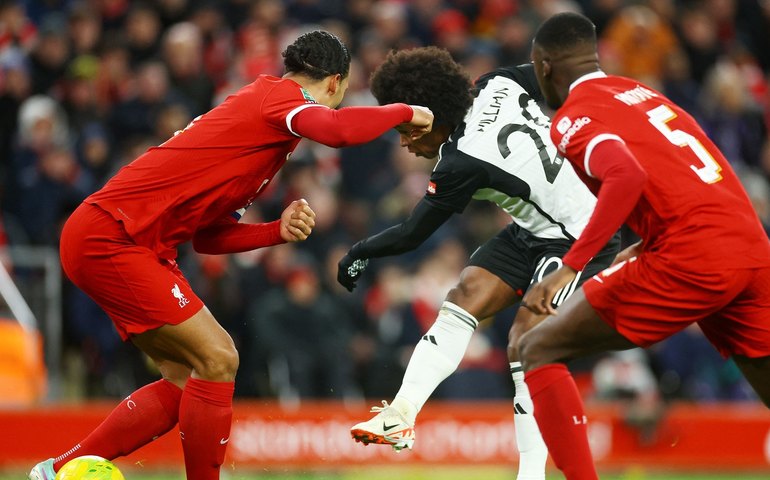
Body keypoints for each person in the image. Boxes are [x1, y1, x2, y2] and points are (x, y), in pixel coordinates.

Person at [29, 30, 433, 480]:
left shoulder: (266, 130)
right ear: (335, 83)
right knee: (221, 357)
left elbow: (210, 237)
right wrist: (408, 111)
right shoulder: (280, 96)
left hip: (124, 239)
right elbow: (337, 132)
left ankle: (54, 472)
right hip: (115, 234)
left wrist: (275, 231)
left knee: (187, 380)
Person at [336, 46, 618, 480]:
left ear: (435, 114)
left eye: (409, 128)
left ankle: (531, 474)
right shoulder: (496, 82)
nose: (406, 141)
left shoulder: (460, 162)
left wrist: (359, 252)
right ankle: (401, 413)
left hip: (580, 235)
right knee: (465, 293)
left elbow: (413, 234)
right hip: (534, 229)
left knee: (527, 341)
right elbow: (556, 70)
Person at [519, 12, 770, 480]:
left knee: (538, 349)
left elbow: (626, 174)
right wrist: (647, 241)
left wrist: (570, 266)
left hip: (694, 255)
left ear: (544, 66)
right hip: (750, 243)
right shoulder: (642, 93)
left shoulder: (574, 116)